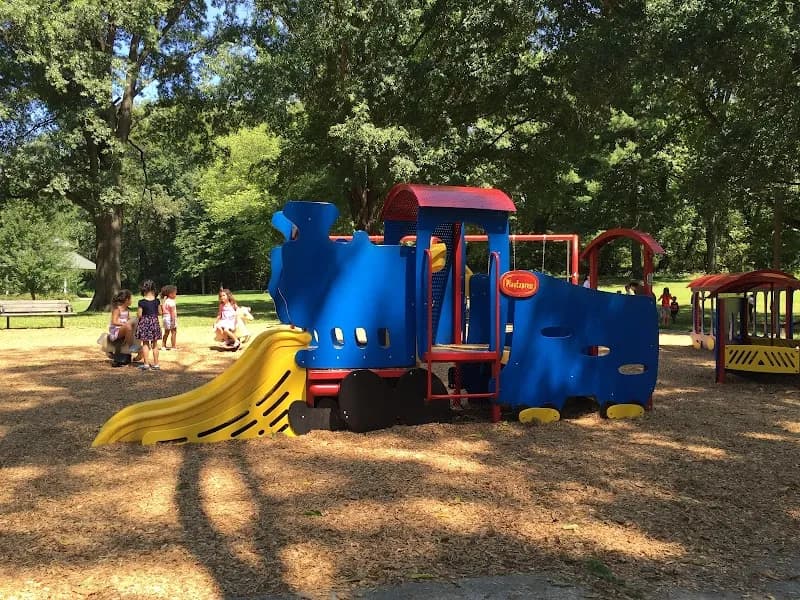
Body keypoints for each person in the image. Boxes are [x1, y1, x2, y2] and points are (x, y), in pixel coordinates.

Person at [136, 279, 162, 371]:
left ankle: (146, 364)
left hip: (145, 322)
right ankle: (156, 364)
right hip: (154, 322)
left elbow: (139, 314)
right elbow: (160, 312)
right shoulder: (157, 301)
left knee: (145, 343)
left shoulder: (141, 302)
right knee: (155, 344)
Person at [160, 284, 179, 350]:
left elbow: (163, 309)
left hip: (165, 317)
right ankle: (173, 346)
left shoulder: (165, 301)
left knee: (166, 332)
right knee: (174, 332)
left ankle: (163, 345)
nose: (176, 294)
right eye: (175, 293)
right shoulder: (171, 302)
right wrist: (173, 320)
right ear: (170, 294)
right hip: (170, 318)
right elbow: (172, 312)